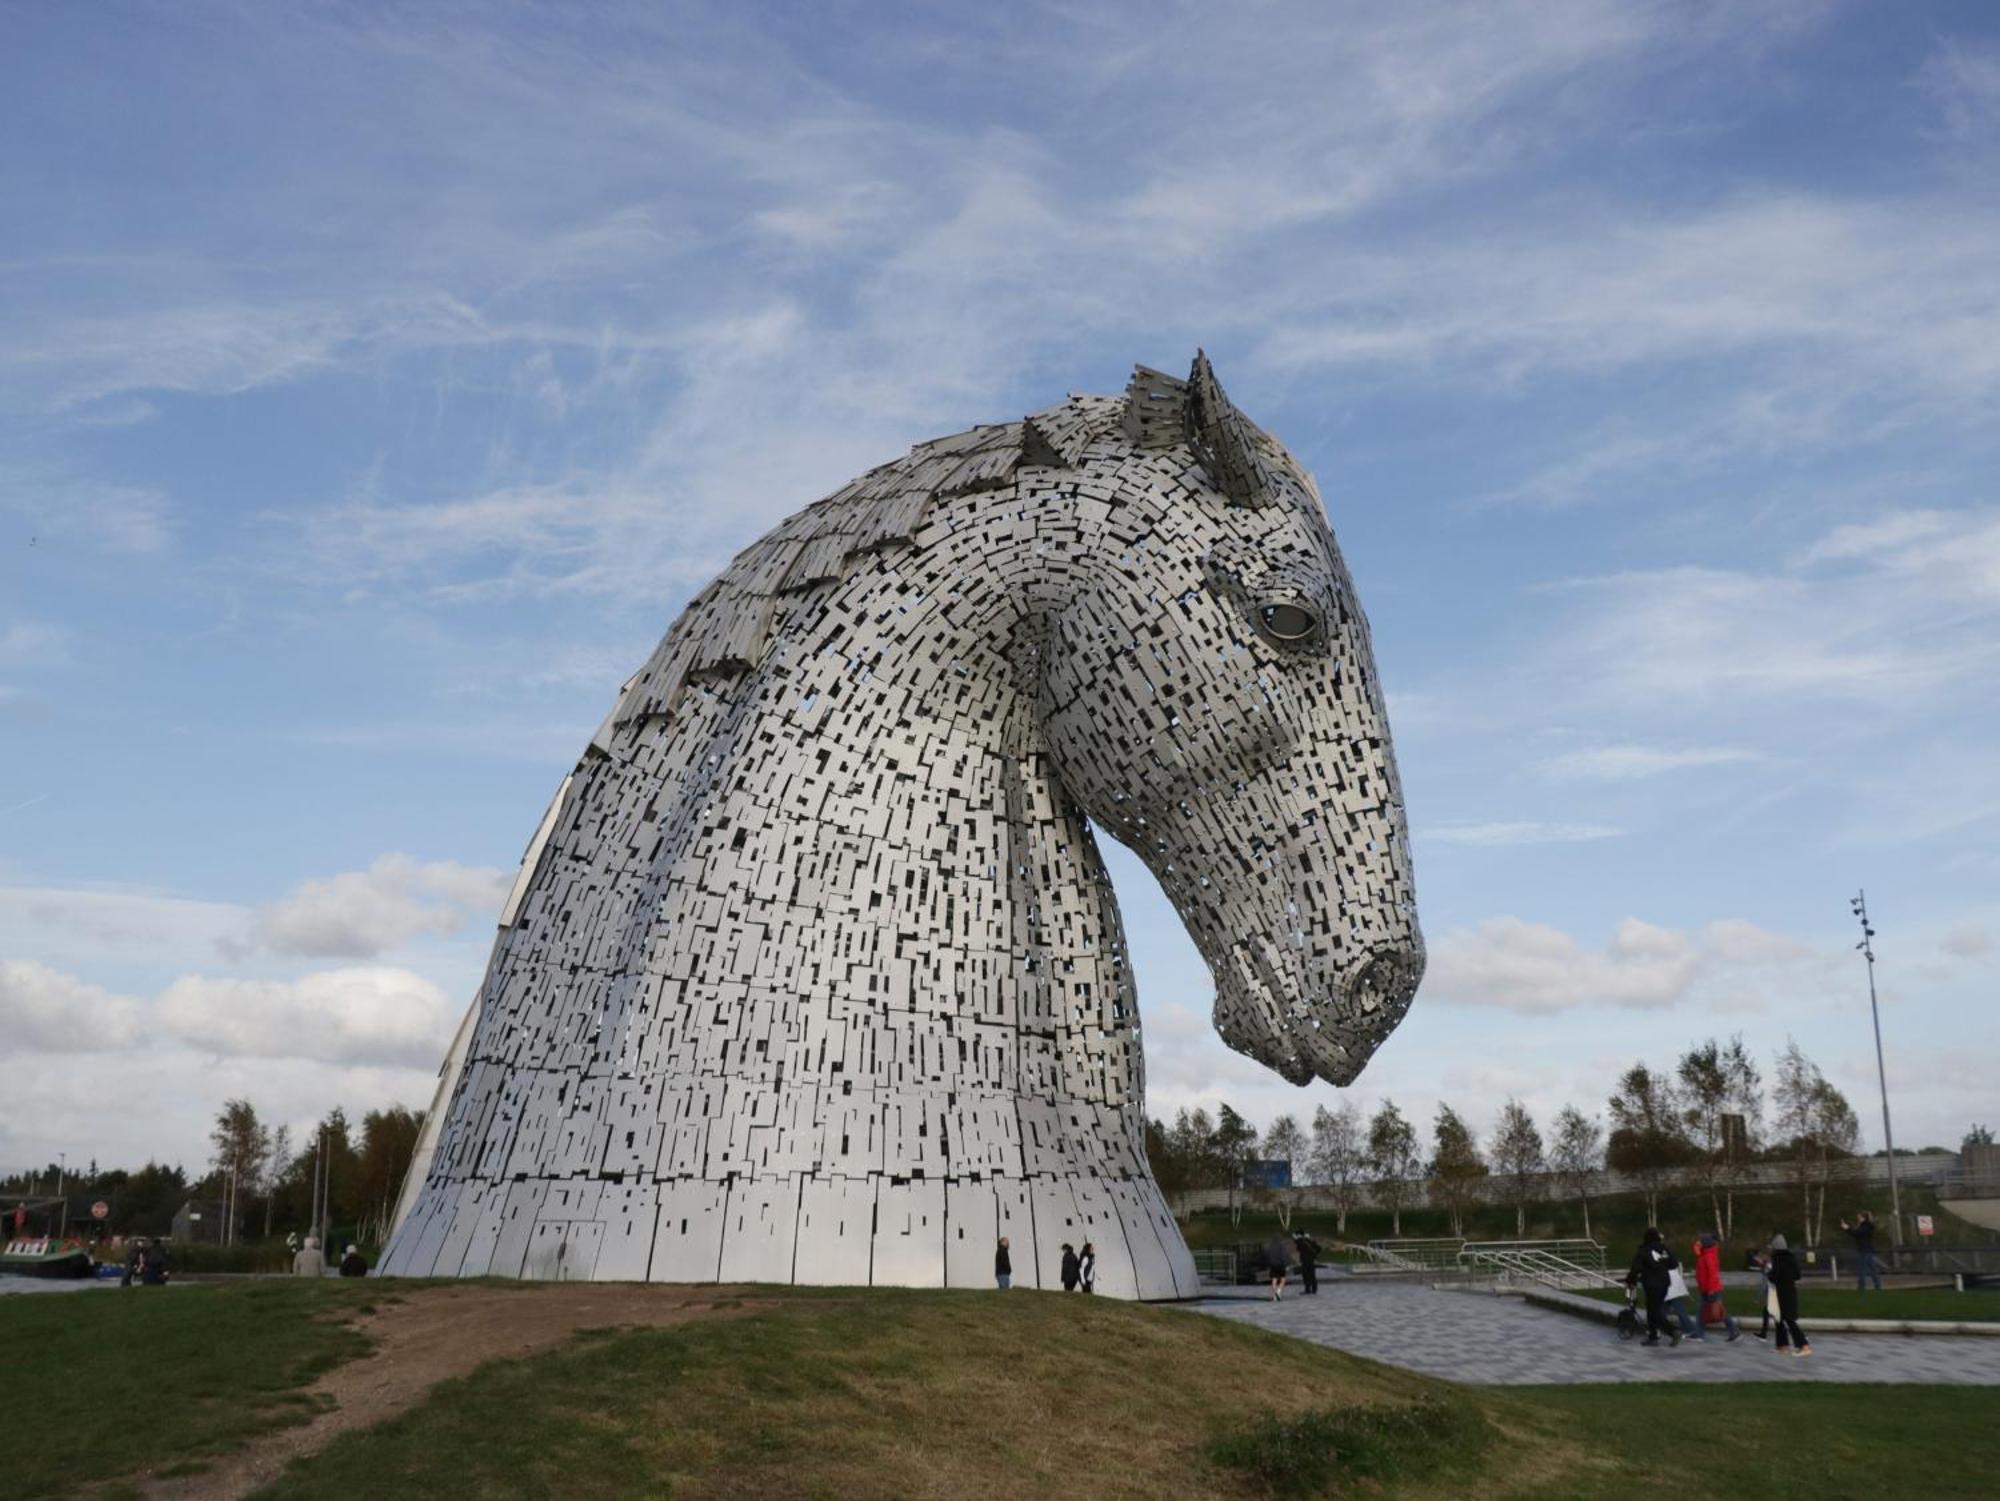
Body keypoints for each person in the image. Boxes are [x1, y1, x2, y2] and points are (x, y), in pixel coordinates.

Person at [1623, 1226, 1682, 1346]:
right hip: (1664, 1283)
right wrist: (1662, 1267)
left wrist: (1630, 1280)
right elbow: (1674, 1264)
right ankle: (1653, 1337)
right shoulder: (1664, 1249)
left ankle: (1673, 1331)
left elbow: (1636, 1268)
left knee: (1654, 1312)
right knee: (1652, 1310)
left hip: (1651, 1284)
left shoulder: (1644, 1250)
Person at [1766, 1234, 1811, 1356]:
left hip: (1782, 1293)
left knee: (1788, 1320)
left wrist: (1769, 1272)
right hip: (1789, 1292)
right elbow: (1797, 1275)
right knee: (1779, 1318)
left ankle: (1803, 1346)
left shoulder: (1779, 1259)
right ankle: (1782, 1345)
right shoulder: (1790, 1257)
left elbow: (1774, 1276)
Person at [1691, 1231, 1741, 1342]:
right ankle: (1699, 1333)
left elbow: (1713, 1274)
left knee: (1720, 1312)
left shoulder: (1708, 1256)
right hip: (1706, 1288)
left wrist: (1711, 1289)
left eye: (1701, 1241)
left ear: (1705, 1243)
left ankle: (1734, 1332)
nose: (1698, 1243)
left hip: (1711, 1289)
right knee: (1702, 1310)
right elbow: (1697, 1251)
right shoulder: (1705, 1254)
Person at [1839, 1210, 1884, 1292]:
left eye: (1859, 1217)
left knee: (1862, 1270)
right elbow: (1856, 1233)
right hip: (1868, 1250)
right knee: (1872, 1269)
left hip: (1864, 1250)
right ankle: (1877, 1286)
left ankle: (1862, 1287)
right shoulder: (1866, 1226)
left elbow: (1857, 1233)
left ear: (1863, 1218)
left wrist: (1847, 1228)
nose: (1858, 1218)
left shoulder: (1866, 1226)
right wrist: (1848, 1229)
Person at [1264, 1233, 1290, 1301]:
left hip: (1273, 1265)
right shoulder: (1282, 1246)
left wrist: (1268, 1264)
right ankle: (1278, 1291)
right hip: (1281, 1265)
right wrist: (1286, 1265)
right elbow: (1284, 1256)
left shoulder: (1269, 1246)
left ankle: (1274, 1295)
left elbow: (1266, 1256)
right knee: (1283, 1279)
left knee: (1274, 1279)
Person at [1293, 1230, 1320, 1295]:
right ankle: (1314, 1289)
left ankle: (1307, 1289)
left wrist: (1296, 1237)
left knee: (1306, 1275)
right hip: (1311, 1261)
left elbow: (1297, 1244)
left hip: (1305, 1261)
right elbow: (1319, 1248)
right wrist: (1315, 1255)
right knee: (1312, 1275)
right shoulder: (1311, 1242)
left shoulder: (1301, 1242)